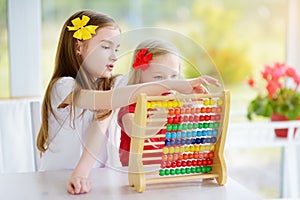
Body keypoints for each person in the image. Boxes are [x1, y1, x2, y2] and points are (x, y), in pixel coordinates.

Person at [36, 9, 220, 195]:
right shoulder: (63, 87)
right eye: (106, 47)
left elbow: (146, 84)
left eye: (116, 49)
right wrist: (175, 83)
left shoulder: (110, 85)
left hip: (94, 179)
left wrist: (184, 90)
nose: (115, 56)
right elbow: (109, 100)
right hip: (55, 178)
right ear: (79, 47)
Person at [117, 38, 212, 166]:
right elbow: (136, 132)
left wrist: (191, 114)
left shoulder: (174, 102)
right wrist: (159, 119)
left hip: (169, 171)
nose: (169, 84)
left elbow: (185, 138)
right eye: (159, 77)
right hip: (136, 172)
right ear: (139, 75)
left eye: (174, 76)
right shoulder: (130, 104)